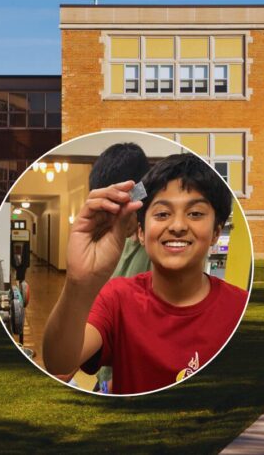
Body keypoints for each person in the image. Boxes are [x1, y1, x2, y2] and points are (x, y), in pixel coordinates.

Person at [43, 153, 248, 394]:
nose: (178, 226)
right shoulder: (117, 297)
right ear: (141, 232)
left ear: (216, 232)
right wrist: (78, 283)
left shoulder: (241, 308)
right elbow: (59, 364)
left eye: (195, 213)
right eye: (162, 214)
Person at [86, 142, 151, 392]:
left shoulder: (158, 250)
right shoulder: (112, 242)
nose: (109, 216)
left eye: (114, 205)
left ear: (136, 194)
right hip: (105, 377)